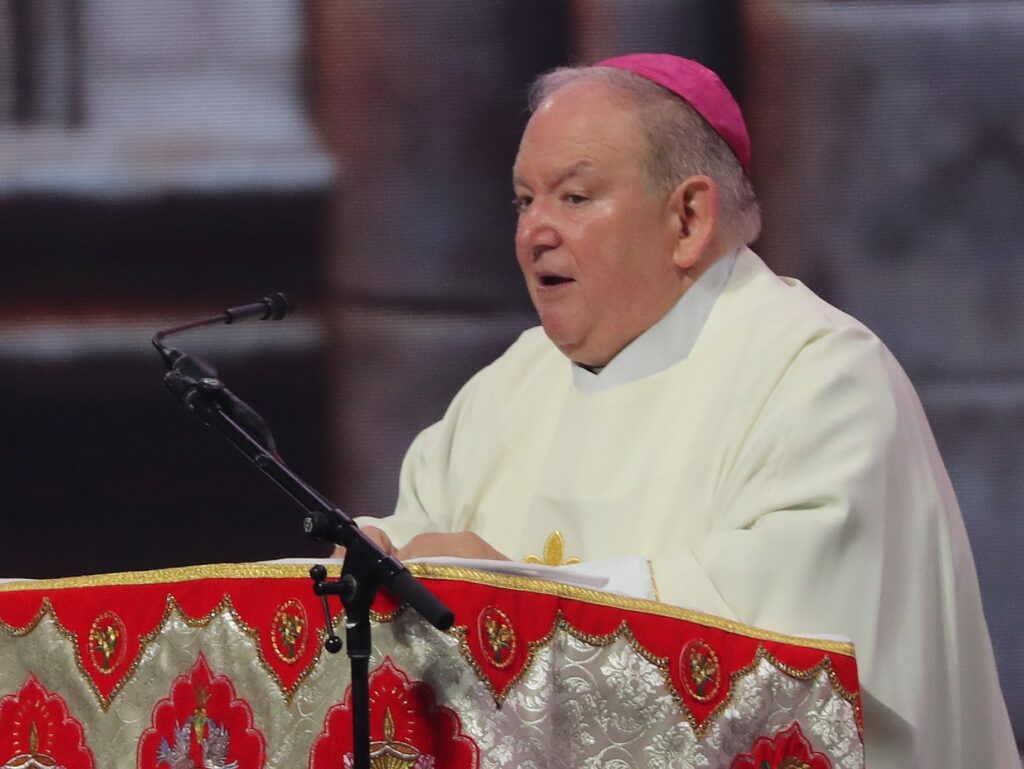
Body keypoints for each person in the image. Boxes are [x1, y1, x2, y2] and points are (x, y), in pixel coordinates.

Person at [340, 54, 1018, 766]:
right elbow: (418, 534)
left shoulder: (821, 378)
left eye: (574, 197)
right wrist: (375, 557)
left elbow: (786, 660)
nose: (534, 231)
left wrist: (521, 600)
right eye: (524, 200)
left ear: (689, 217)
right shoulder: (506, 387)